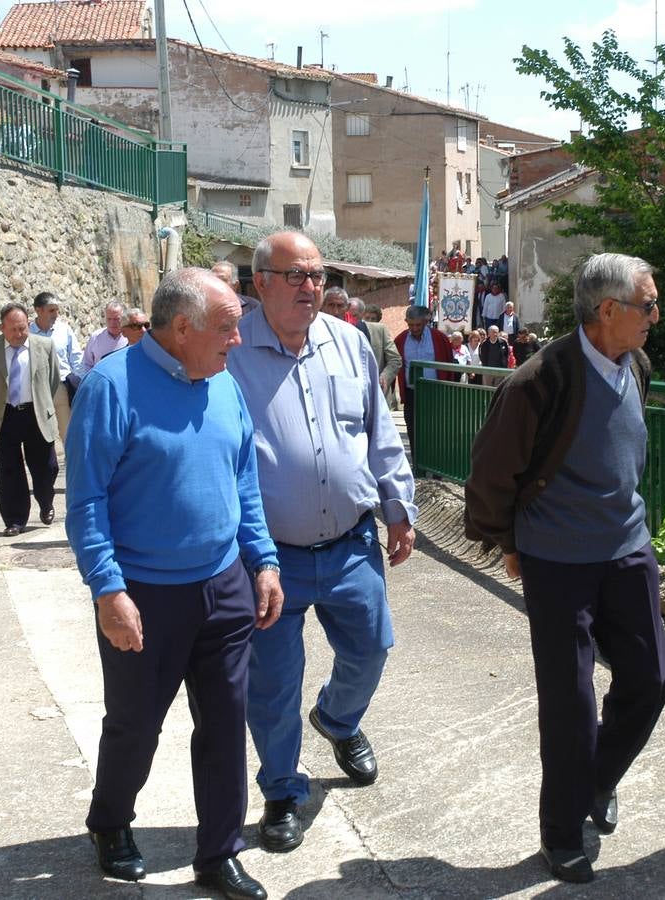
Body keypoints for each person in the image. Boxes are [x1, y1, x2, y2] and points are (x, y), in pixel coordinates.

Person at [65, 267, 282, 900]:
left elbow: (243, 478)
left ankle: (219, 853)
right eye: (227, 329)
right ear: (182, 328)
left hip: (223, 587)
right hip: (144, 595)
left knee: (224, 723)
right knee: (135, 724)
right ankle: (110, 821)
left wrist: (262, 560)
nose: (237, 343)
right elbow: (86, 502)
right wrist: (107, 590)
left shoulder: (223, 385)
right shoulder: (111, 387)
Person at [464, 252, 665, 884]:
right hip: (558, 560)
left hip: (627, 549)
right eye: (648, 306)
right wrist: (505, 540)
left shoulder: (636, 367)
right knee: (570, 701)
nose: (655, 318)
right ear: (609, 311)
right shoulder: (538, 381)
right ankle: (561, 834)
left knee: (651, 680)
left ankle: (594, 782)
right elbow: (493, 473)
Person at [227, 231, 417, 857]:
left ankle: (337, 719)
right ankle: (283, 790)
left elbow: (378, 429)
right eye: (295, 276)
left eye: (315, 274)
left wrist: (399, 506)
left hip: (350, 541)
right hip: (269, 555)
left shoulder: (349, 343)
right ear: (261, 284)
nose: (311, 286)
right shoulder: (230, 355)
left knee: (371, 646)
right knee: (274, 682)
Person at [0, 302, 61, 536]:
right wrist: (0, 403)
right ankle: (15, 520)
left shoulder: (45, 346)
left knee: (46, 468)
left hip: (36, 413)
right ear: (2, 328)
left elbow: (52, 381)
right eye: (13, 329)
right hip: (6, 414)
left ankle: (46, 502)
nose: (19, 334)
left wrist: (41, 403)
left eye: (23, 328)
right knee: (9, 471)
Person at [393, 304, 456, 452]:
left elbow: (449, 365)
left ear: (426, 321)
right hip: (412, 394)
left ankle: (437, 468)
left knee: (437, 432)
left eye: (418, 325)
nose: (414, 328)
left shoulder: (439, 338)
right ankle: (417, 468)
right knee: (413, 431)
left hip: (436, 393)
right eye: (411, 325)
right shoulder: (401, 340)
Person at [324, 288, 402, 402]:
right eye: (348, 315)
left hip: (374, 397)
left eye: (354, 316)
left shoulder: (379, 331)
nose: (350, 319)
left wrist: (384, 377)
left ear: (362, 314)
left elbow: (395, 360)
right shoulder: (323, 332)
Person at [29, 292, 82, 407]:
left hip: (65, 387)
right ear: (38, 311)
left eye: (57, 310)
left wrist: (80, 383)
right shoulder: (27, 334)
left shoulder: (64, 330)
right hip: (39, 391)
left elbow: (76, 358)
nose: (56, 315)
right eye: (51, 311)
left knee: (67, 424)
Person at [78, 302, 127, 379]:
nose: (112, 323)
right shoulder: (96, 337)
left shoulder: (129, 337)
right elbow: (86, 363)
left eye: (116, 319)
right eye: (109, 319)